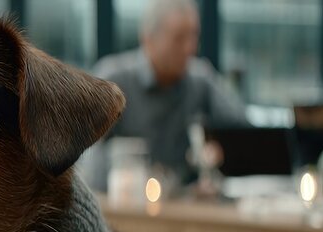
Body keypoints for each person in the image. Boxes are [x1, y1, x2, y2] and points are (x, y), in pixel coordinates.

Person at [81, 0, 249, 191]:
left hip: (184, 208)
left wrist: (220, 149)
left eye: (194, 37)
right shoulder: (112, 80)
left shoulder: (201, 80)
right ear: (148, 39)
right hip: (125, 205)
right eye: (179, 38)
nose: (190, 48)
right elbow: (84, 153)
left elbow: (244, 132)